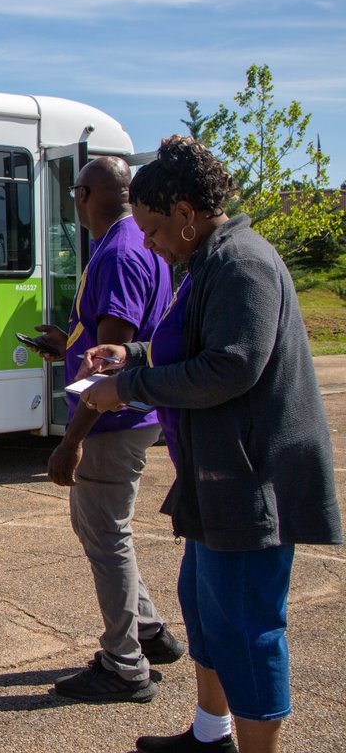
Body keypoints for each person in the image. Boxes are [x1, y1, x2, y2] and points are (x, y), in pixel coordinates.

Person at [79, 136, 342, 753]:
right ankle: (210, 734)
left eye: (151, 228)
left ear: (186, 215)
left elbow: (231, 367)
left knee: (248, 631)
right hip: (216, 476)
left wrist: (129, 387)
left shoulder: (241, 263)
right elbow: (193, 345)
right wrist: (133, 353)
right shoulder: (208, 265)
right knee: (206, 610)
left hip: (253, 481)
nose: (146, 242)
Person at [29, 156, 183, 704]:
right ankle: (148, 630)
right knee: (103, 530)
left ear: (86, 193)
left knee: (106, 536)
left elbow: (110, 358)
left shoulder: (117, 252)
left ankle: (124, 663)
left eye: (75, 192)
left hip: (110, 421)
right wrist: (66, 343)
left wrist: (71, 441)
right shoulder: (142, 244)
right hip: (132, 418)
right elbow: (106, 337)